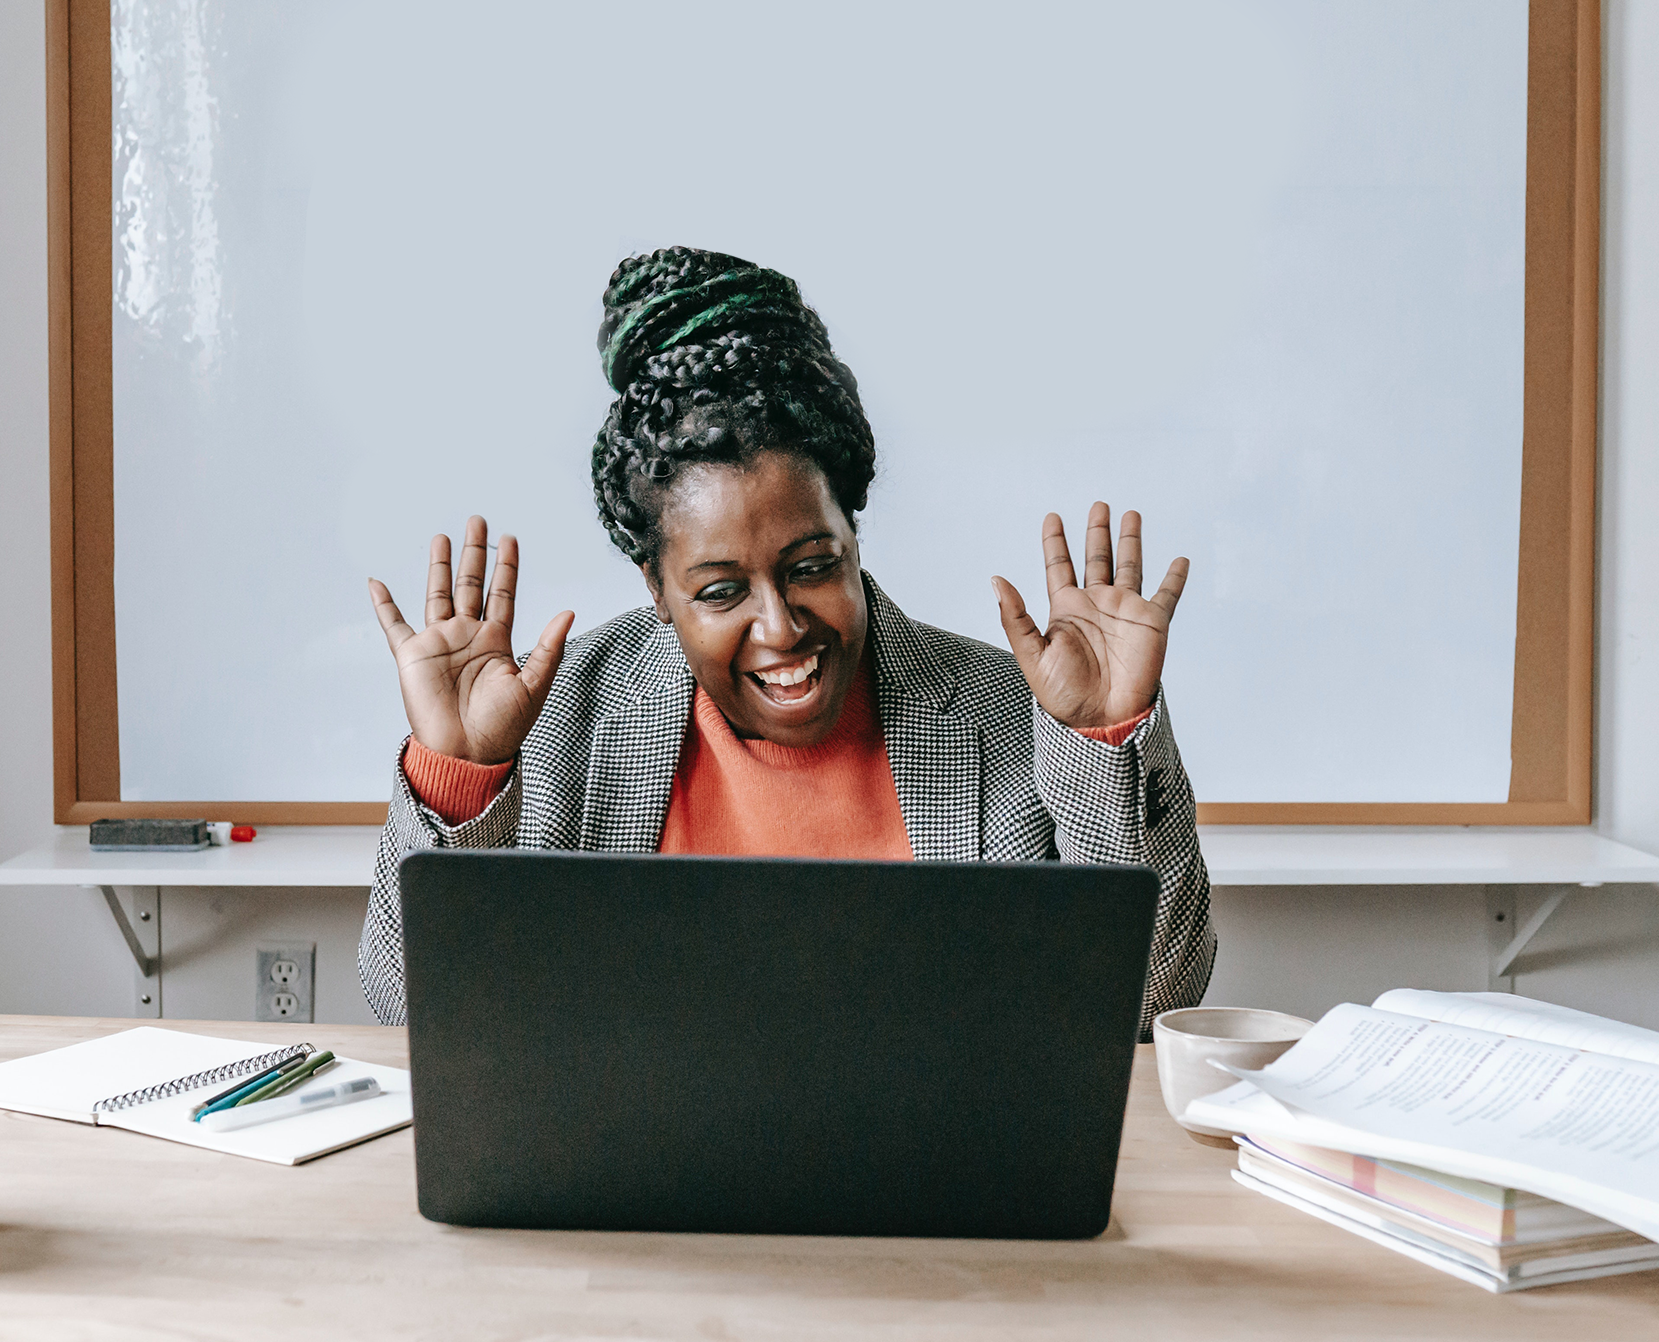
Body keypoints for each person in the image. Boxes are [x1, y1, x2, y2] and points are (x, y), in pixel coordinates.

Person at [358, 246, 1214, 1032]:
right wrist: (462, 779)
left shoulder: (1009, 716)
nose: (780, 626)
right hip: (643, 1193)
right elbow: (408, 1007)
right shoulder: (555, 723)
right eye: (723, 590)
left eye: (810, 566)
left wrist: (1104, 741)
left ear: (852, 534)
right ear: (658, 589)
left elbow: (1152, 1002)